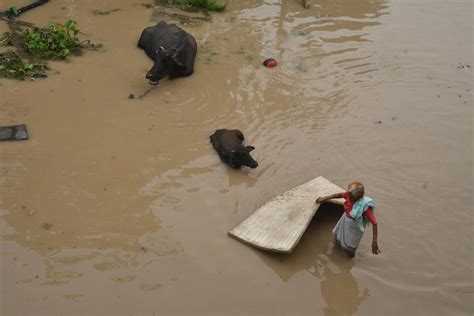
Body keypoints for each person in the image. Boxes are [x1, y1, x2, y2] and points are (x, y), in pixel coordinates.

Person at [316, 182, 380, 257]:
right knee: (338, 237)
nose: (349, 197)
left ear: (358, 197)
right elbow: (339, 195)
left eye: (352, 197)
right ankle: (337, 251)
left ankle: (348, 260)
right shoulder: (349, 195)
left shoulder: (364, 206)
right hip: (345, 219)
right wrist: (325, 198)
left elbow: (374, 223)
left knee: (351, 248)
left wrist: (374, 242)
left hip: (355, 226)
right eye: (349, 195)